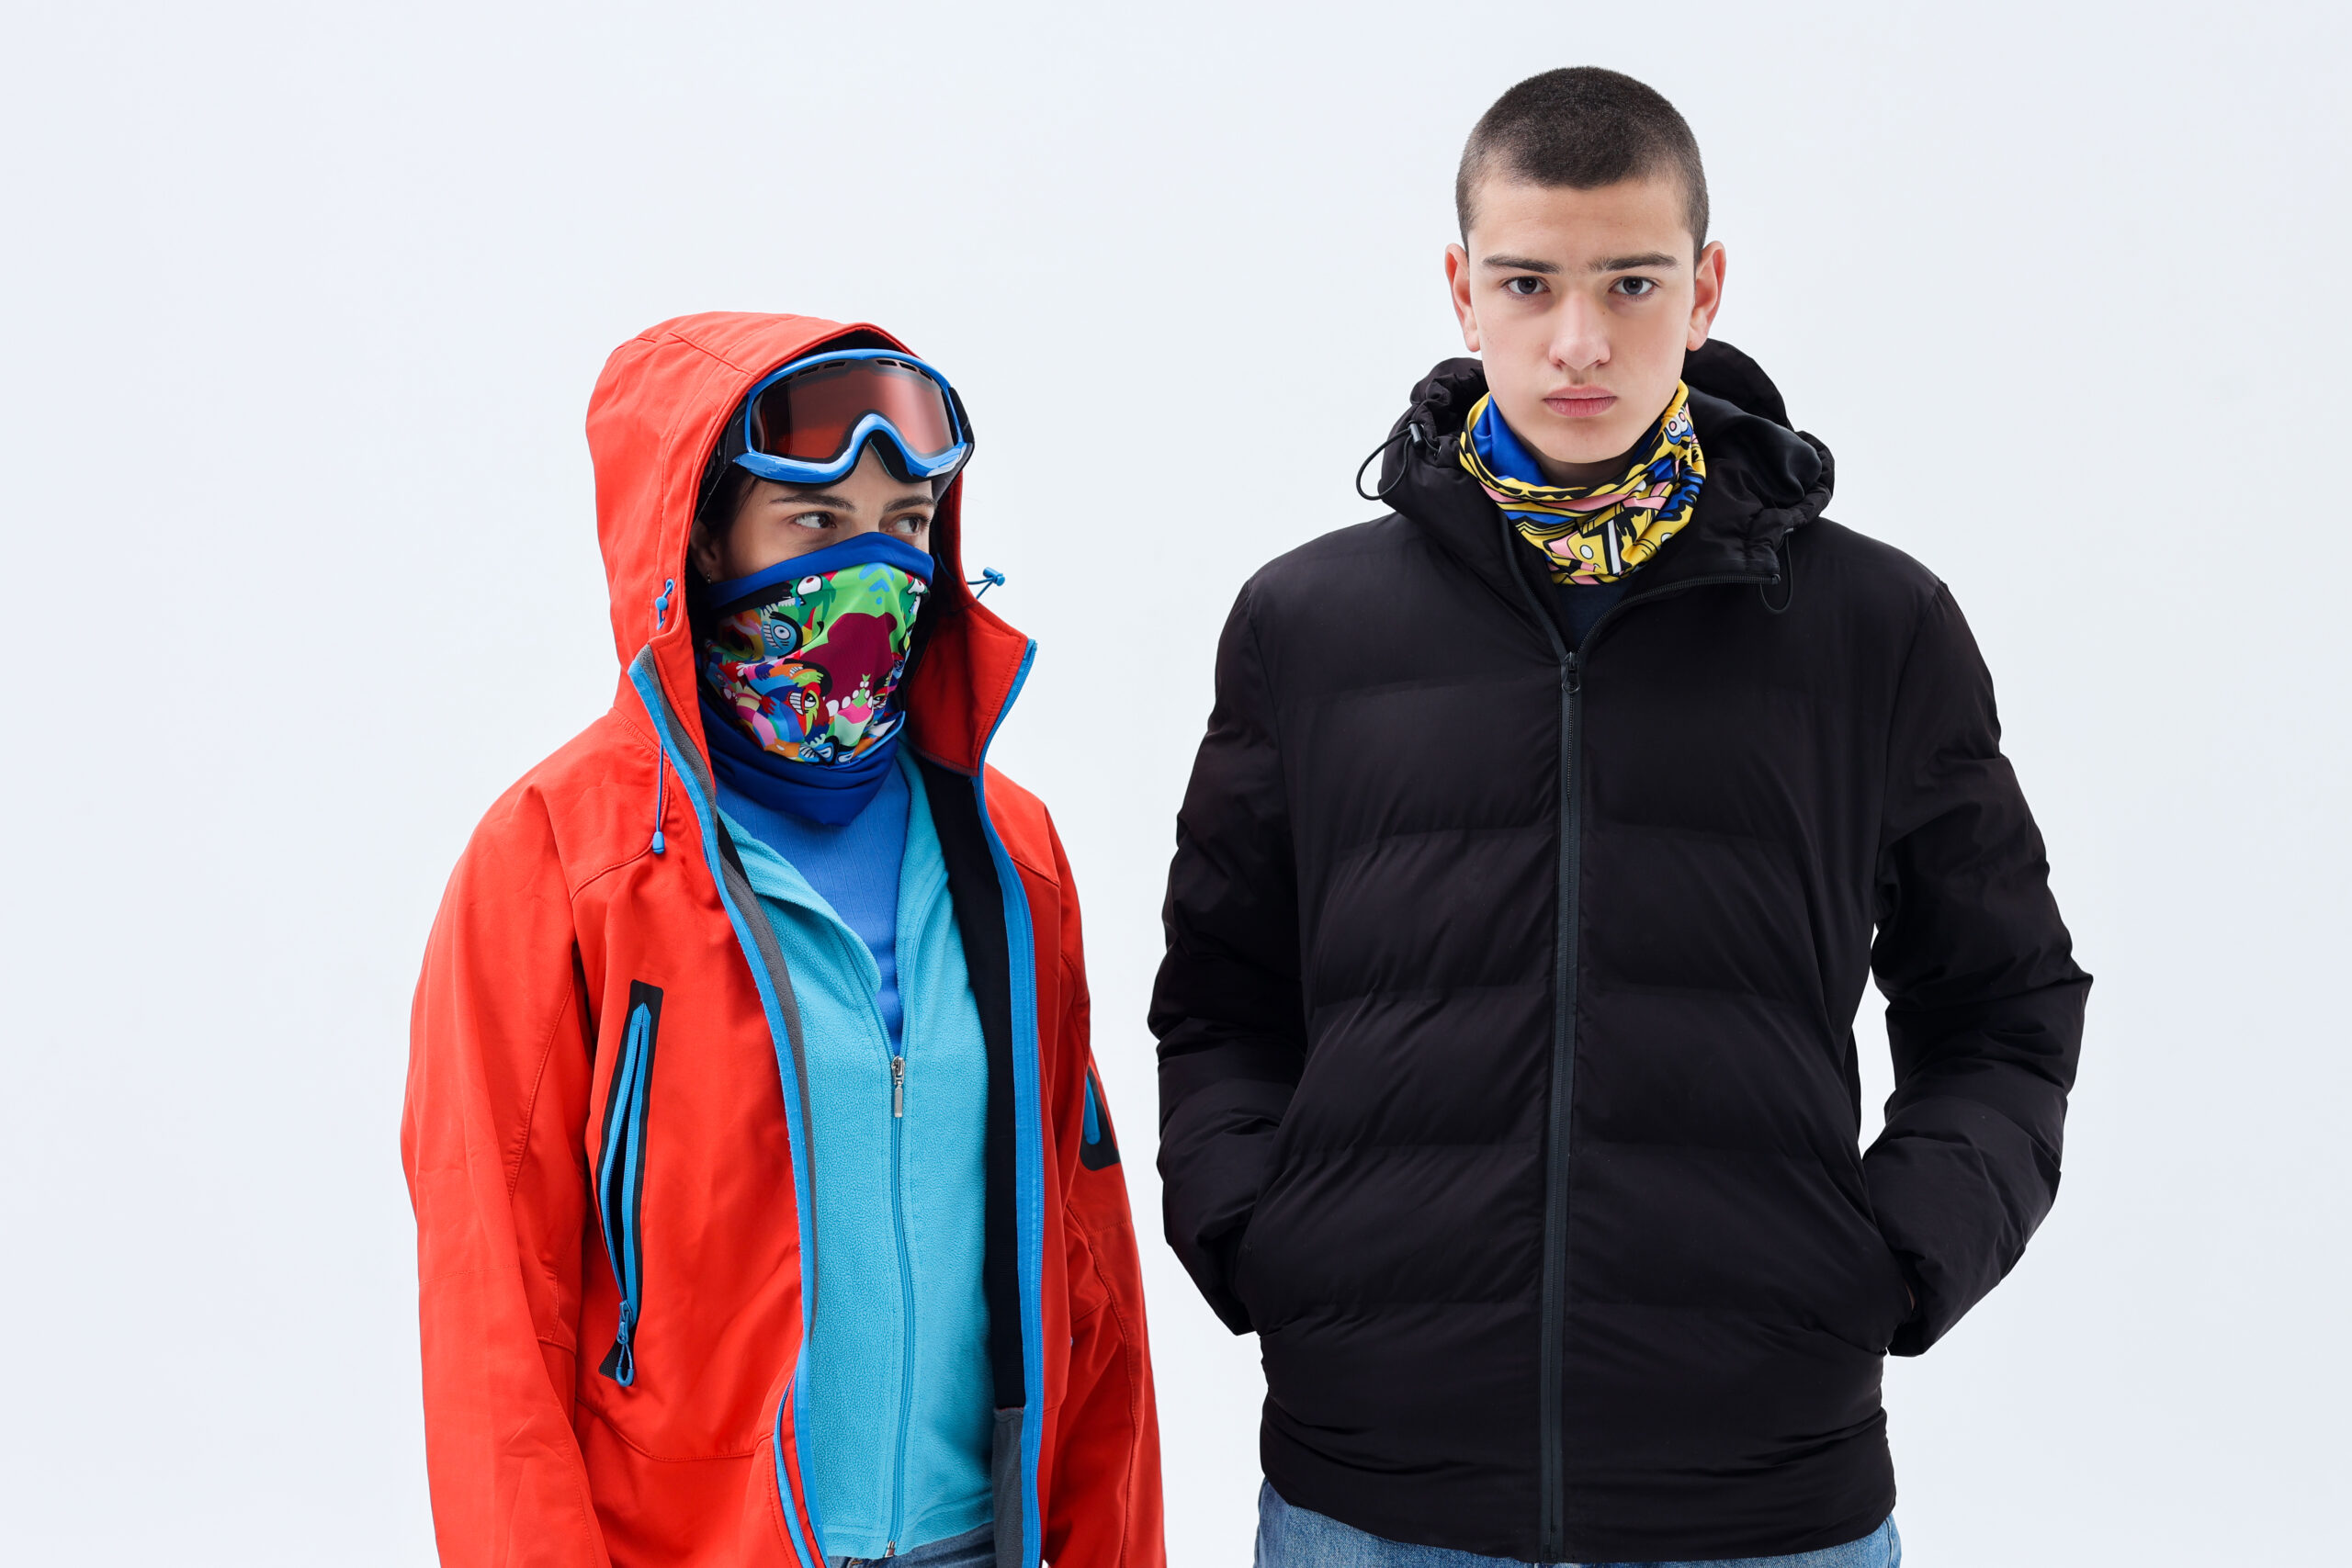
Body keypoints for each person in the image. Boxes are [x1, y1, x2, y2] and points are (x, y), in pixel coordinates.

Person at [1152, 68, 2086, 1568]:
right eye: (1528, 283)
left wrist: (1899, 1258)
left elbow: (2005, 1004)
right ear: (1462, 290)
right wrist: (1266, 1240)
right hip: (1376, 1490)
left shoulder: (1875, 626)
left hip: (1764, 1495)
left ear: (1704, 290)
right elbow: (1221, 998)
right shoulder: (1307, 624)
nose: (1578, 341)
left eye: (1631, 283)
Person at [404, 312, 1163, 1568]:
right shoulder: (561, 861)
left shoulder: (1005, 849)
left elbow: (1089, 1268)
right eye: (815, 523)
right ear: (701, 539)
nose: (873, 568)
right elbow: (495, 1312)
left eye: (906, 524)